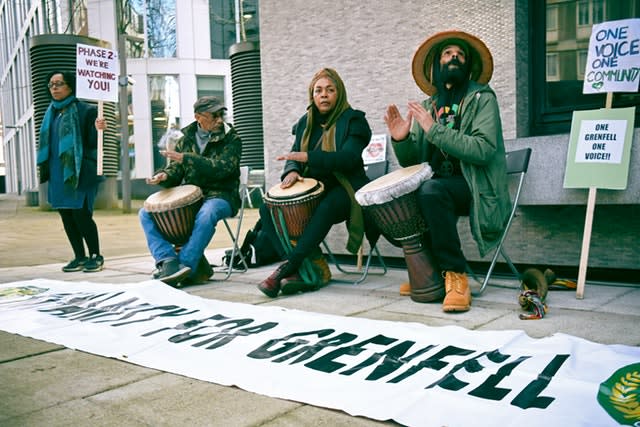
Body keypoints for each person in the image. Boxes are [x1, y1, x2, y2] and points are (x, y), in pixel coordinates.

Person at [384, 30, 511, 313]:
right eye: (447, 53)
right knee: (407, 195)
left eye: (460, 54)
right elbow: (413, 163)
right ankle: (428, 271)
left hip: (474, 186)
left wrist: (434, 129)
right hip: (438, 188)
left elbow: (483, 149)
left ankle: (455, 274)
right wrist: (402, 139)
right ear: (436, 65)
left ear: (467, 66)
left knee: (431, 191)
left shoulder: (482, 99)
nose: (454, 57)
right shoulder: (429, 106)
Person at [257, 67, 372, 298]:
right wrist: (291, 171)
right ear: (312, 95)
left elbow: (348, 159)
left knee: (327, 206)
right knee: (267, 207)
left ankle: (287, 268)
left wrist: (307, 157)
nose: (324, 95)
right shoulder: (305, 122)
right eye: (318, 90)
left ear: (339, 93)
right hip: (315, 186)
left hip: (347, 187)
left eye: (330, 90)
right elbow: (293, 155)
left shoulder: (355, 120)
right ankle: (308, 267)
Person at [139, 96, 242, 287]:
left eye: (222, 114)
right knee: (145, 212)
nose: (220, 119)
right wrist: (163, 176)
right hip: (192, 198)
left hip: (222, 195)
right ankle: (167, 261)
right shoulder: (185, 140)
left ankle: (185, 265)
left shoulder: (232, 139)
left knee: (207, 214)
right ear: (198, 117)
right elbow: (176, 172)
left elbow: (221, 168)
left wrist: (186, 158)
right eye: (214, 115)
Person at [36, 70, 108, 273]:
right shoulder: (50, 112)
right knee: (66, 215)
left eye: (59, 83)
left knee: (81, 214)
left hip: (79, 172)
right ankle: (79, 256)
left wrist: (98, 128)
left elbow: (94, 143)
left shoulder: (86, 110)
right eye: (51, 84)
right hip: (58, 173)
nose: (54, 88)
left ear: (70, 86)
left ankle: (96, 255)